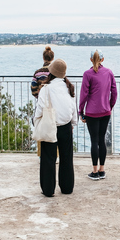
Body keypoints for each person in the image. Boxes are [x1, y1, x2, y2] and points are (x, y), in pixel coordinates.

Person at [33, 59, 77, 197]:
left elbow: (39, 109)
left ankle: (48, 189)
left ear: (51, 72)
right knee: (67, 158)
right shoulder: (68, 87)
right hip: (66, 126)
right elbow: (73, 109)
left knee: (48, 159)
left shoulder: (46, 89)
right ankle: (67, 187)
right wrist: (73, 124)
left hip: (51, 126)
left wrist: (36, 122)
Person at [78, 50, 117, 180]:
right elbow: (114, 92)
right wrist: (110, 105)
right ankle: (102, 170)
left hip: (92, 113)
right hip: (105, 111)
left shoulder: (87, 74)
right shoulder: (109, 72)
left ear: (91, 59)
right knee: (102, 140)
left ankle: (94, 172)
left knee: (94, 141)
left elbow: (83, 94)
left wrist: (80, 111)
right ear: (102, 59)